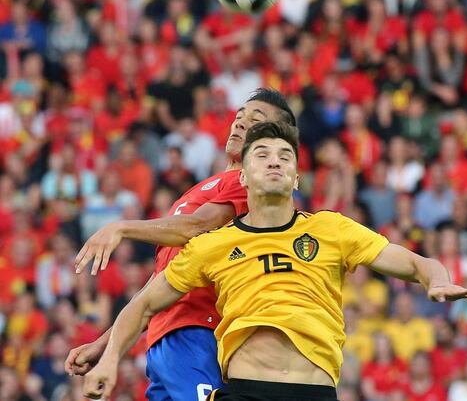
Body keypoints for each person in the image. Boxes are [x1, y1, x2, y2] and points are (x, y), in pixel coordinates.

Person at [81, 122, 467, 400]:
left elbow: (417, 263)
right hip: (244, 388)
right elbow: (144, 304)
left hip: (315, 390)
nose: (274, 161)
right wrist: (111, 358)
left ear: (296, 178)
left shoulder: (331, 229)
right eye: (261, 154)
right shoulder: (214, 245)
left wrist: (438, 279)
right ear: (241, 176)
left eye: (283, 156)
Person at [64, 89, 297, 401]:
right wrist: (106, 343)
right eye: (240, 116)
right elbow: (162, 276)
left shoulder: (249, 184)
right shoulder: (204, 187)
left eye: (256, 121)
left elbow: (197, 226)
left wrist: (122, 227)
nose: (241, 124)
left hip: (199, 332)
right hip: (162, 340)